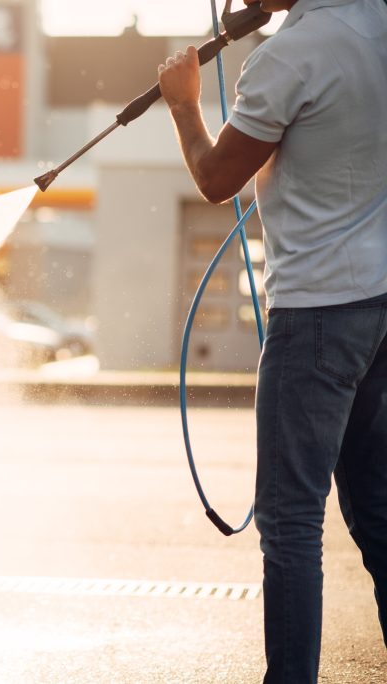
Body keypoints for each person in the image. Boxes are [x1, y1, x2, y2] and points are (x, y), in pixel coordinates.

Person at [156, 0, 387, 681]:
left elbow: (216, 177)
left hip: (316, 315)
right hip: (379, 306)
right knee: (378, 511)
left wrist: (181, 105)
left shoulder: (287, 57)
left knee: (289, 524)